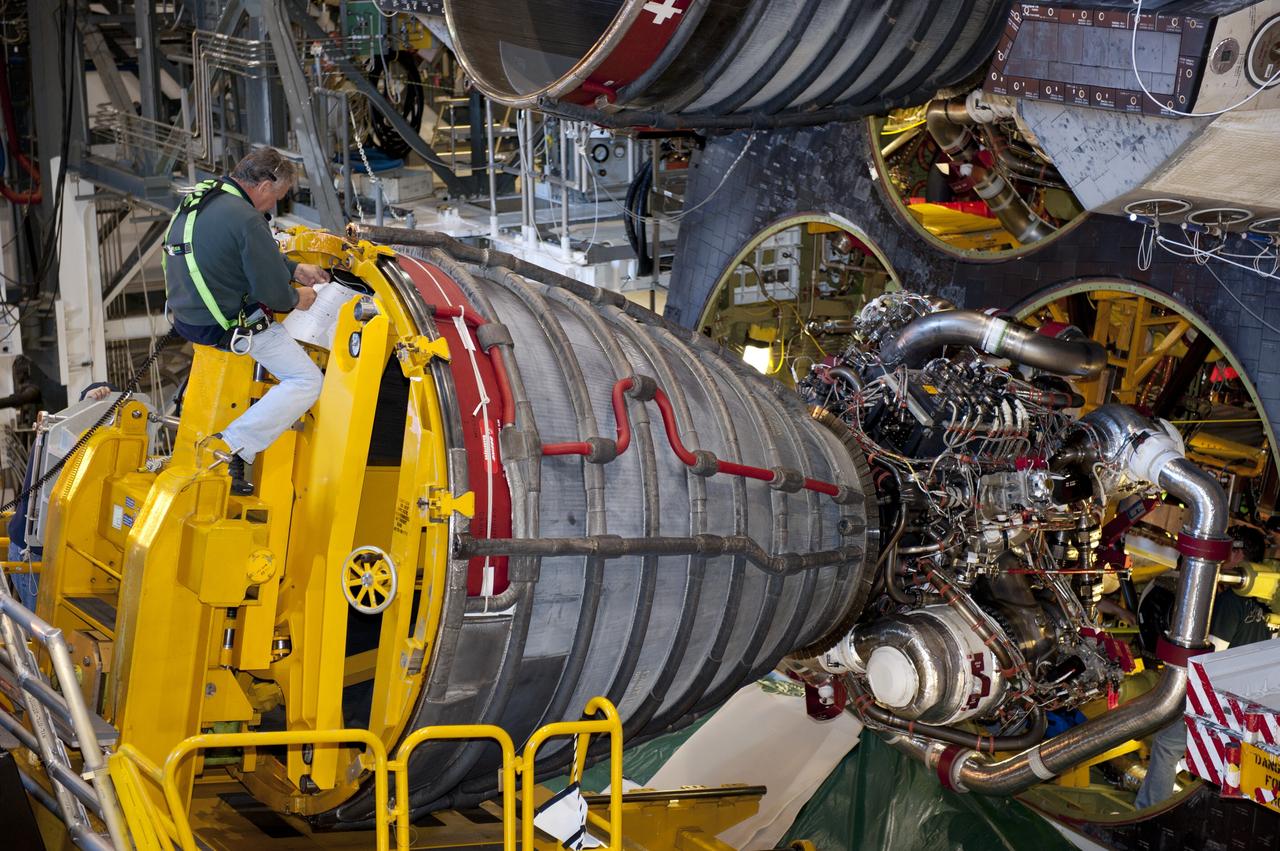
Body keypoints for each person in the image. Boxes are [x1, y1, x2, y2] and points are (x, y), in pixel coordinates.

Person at [163, 148, 328, 494]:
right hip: (224, 325)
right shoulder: (248, 219)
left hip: (188, 317)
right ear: (265, 186)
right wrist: (297, 298)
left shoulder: (204, 199)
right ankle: (233, 445)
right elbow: (274, 295)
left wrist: (293, 268)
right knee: (306, 380)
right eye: (277, 198)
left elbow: (235, 257)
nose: (273, 206)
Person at [1133, 524, 1272, 809]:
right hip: (1254, 703)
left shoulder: (1231, 601)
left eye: (1226, 550)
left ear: (1238, 554)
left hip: (1223, 702)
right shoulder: (1267, 599)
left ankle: (1148, 809)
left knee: (1166, 745)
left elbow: (1211, 658)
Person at [5, 383, 114, 609]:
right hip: (33, 555)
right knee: (42, 625)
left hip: (50, 554)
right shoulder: (59, 440)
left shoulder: (92, 446)